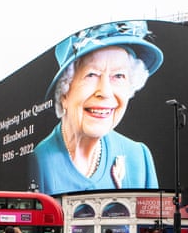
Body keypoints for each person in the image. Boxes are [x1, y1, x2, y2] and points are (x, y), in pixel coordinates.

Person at [31, 20, 164, 195]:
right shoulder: (40, 162)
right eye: (91, 75)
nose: (106, 92)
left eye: (118, 75)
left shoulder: (138, 158)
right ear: (64, 92)